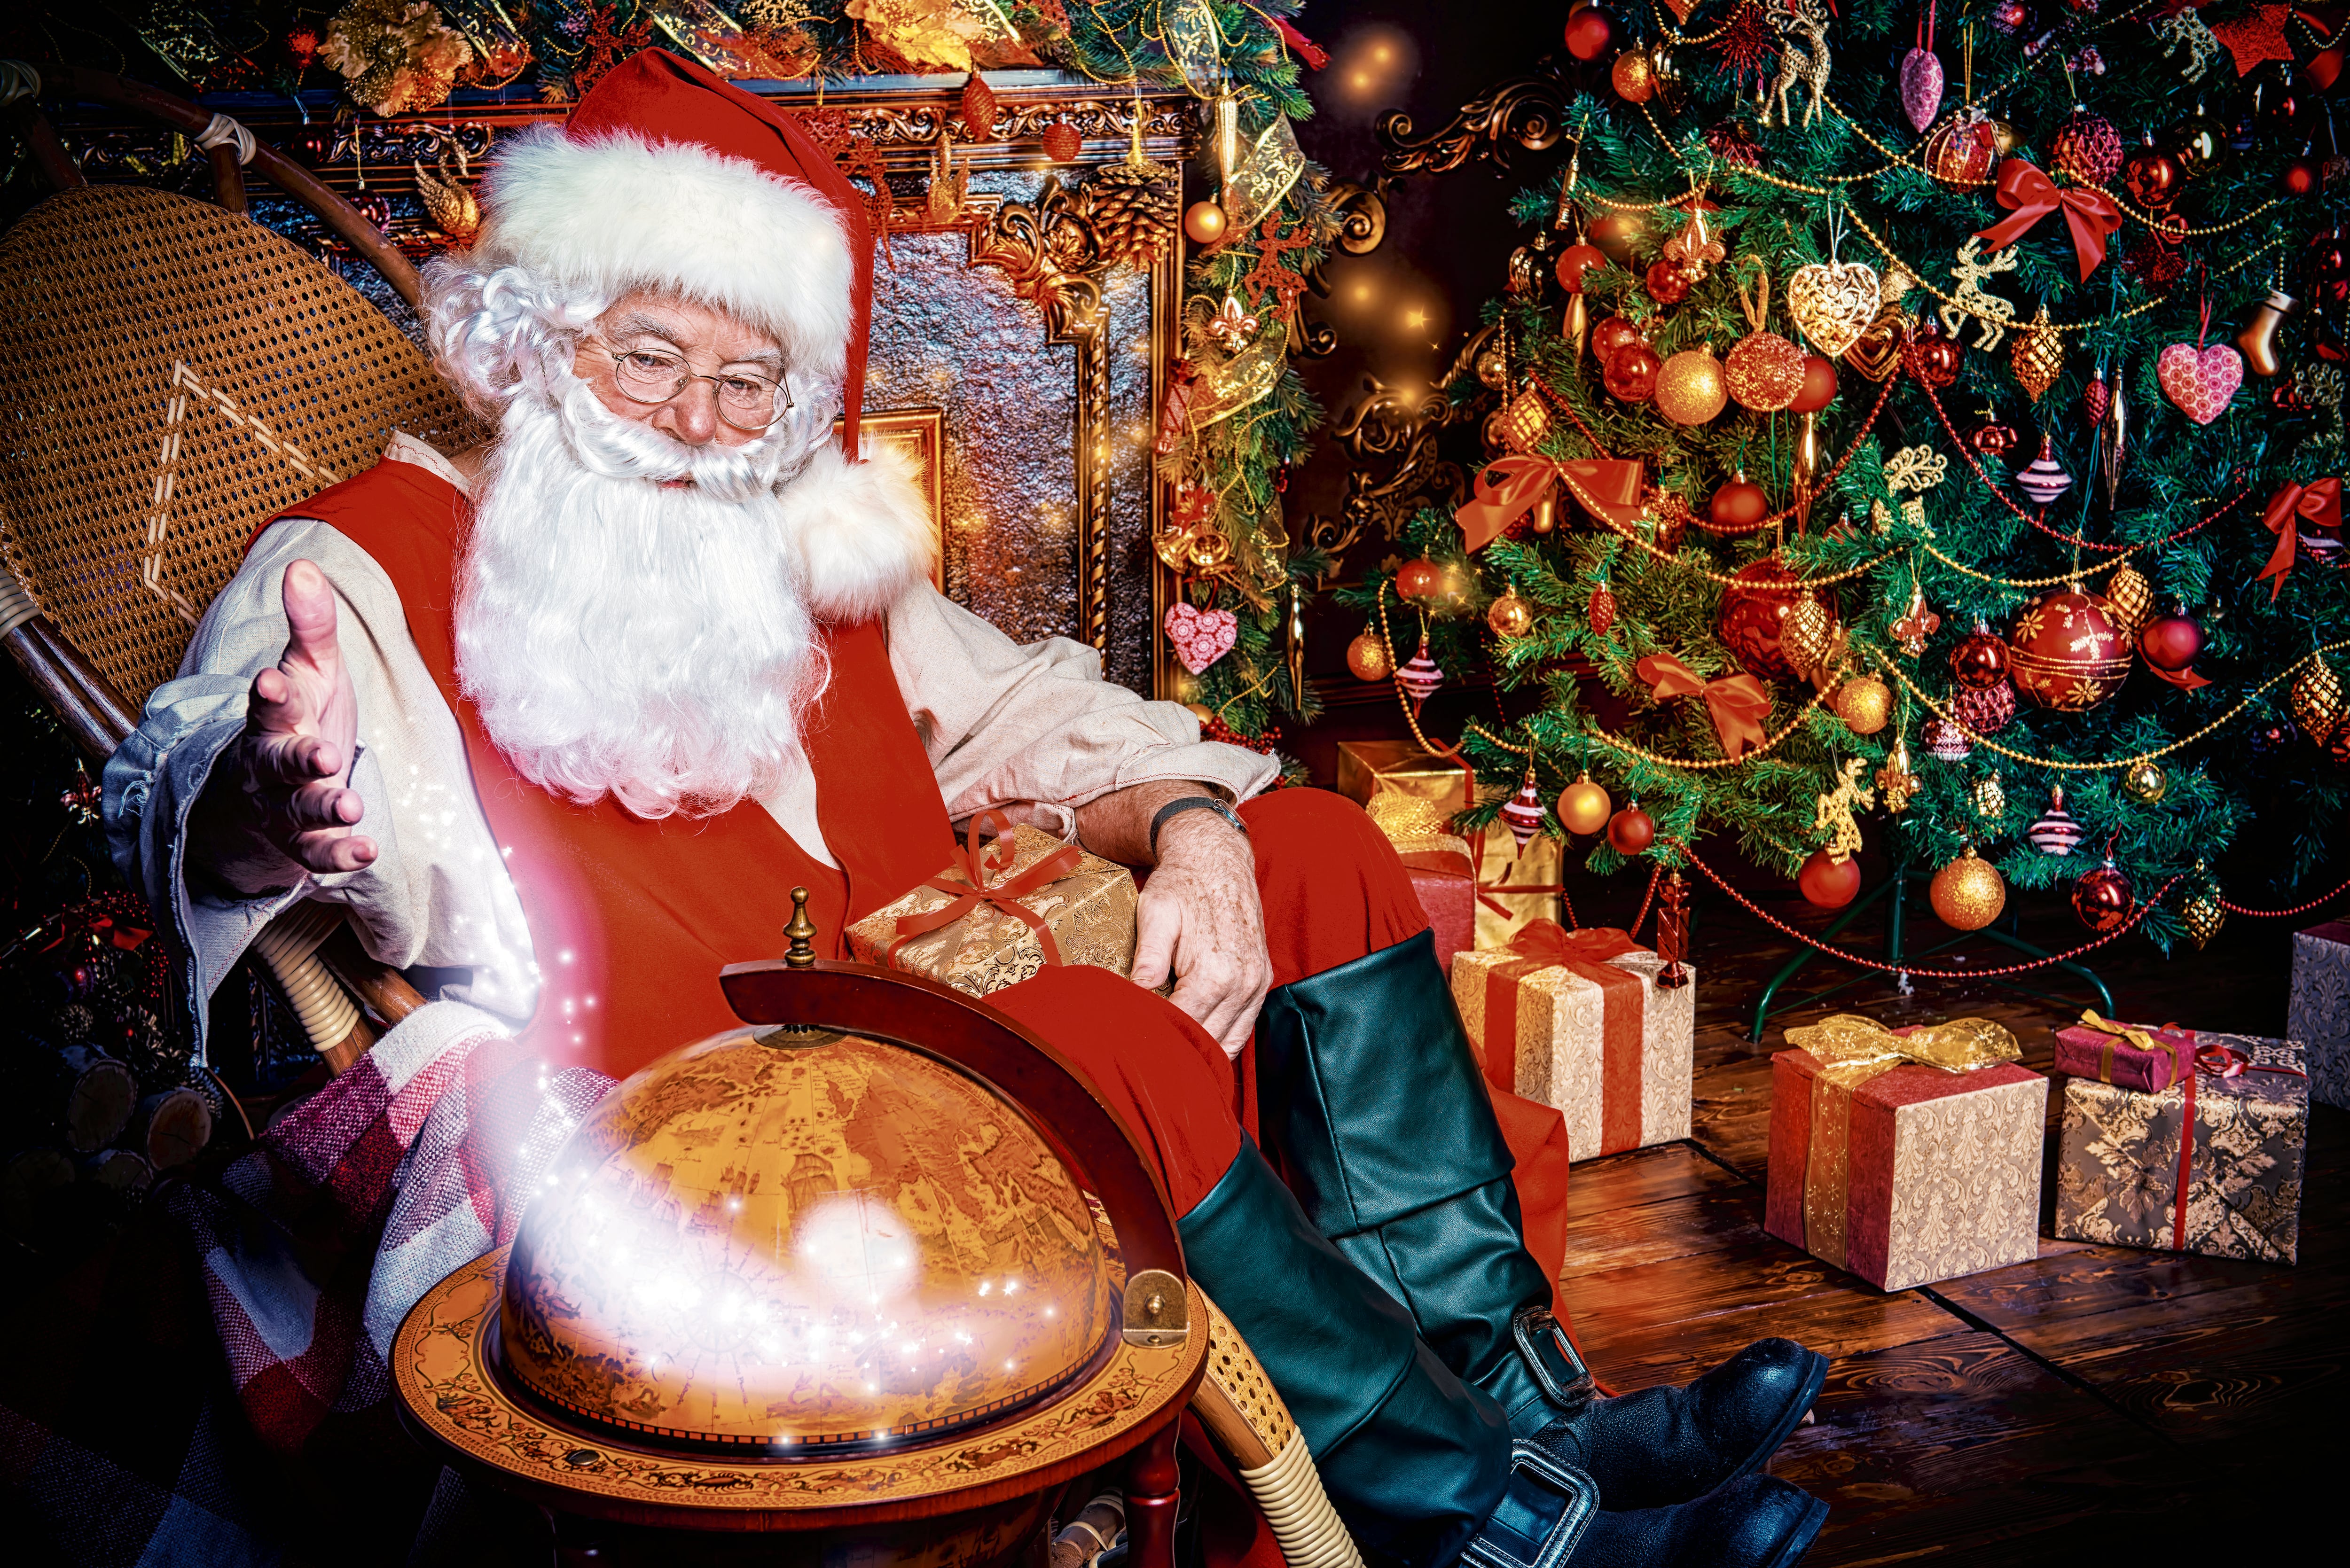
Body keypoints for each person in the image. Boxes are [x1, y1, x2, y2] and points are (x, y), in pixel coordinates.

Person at [104, 49, 1827, 1568]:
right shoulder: (357, 569)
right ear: (543, 336)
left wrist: (1200, 828)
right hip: (700, 1143)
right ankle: (1499, 1534)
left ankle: (1523, 1416)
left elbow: (1039, 713)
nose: (694, 426)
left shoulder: (796, 559)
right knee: (1104, 1031)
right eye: (647, 357)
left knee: (1312, 847)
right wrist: (271, 799)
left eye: (747, 379)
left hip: (923, 1043)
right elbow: (186, 786)